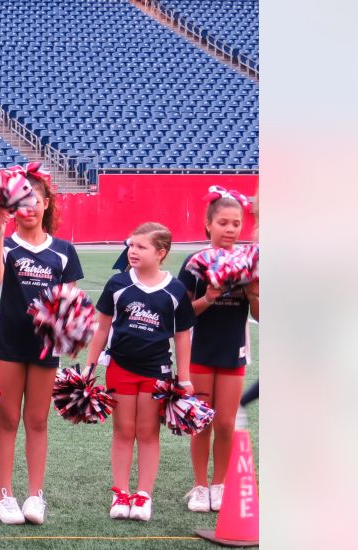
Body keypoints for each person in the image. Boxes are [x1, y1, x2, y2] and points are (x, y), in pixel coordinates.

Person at [0, 164, 83, 525]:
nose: (27, 207)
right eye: (20, 201)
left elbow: (71, 300)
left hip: (45, 348)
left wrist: (71, 329)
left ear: (46, 204)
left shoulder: (64, 251)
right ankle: (4, 495)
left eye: (34, 200)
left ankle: (35, 495)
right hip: (7, 342)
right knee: (8, 418)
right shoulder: (6, 246)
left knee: (37, 420)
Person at [85, 223, 195, 522]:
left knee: (147, 432)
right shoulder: (118, 284)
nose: (133, 251)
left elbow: (183, 335)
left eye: (141, 247)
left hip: (156, 371)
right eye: (131, 245)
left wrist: (183, 378)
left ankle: (143, 494)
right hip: (120, 368)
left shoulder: (174, 290)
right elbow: (102, 326)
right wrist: (90, 366)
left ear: (161, 253)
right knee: (123, 431)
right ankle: (120, 492)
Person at [179, 192, 259, 512]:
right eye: (223, 222)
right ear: (208, 224)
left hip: (232, 350)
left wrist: (253, 293)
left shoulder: (250, 263)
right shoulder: (195, 263)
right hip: (200, 350)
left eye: (236, 223)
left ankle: (220, 485)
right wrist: (209, 297)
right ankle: (200, 487)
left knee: (225, 424)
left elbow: (262, 313)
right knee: (202, 422)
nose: (230, 229)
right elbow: (181, 315)